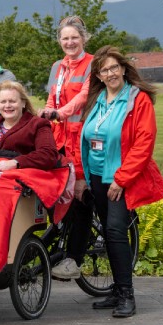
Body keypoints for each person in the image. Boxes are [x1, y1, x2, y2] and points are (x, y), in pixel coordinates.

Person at [78, 46, 163, 318]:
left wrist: (122, 179)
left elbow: (144, 143)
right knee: (108, 231)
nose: (110, 73)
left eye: (114, 67)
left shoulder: (137, 100)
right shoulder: (98, 99)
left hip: (120, 178)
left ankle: (127, 295)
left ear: (124, 69)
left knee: (116, 231)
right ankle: (117, 290)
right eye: (104, 69)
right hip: (96, 175)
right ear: (99, 75)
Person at [39, 16, 96, 280]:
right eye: (65, 38)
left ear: (83, 38)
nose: (69, 42)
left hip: (83, 139)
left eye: (74, 37)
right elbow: (52, 95)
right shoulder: (56, 67)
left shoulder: (93, 64)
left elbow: (85, 96)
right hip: (60, 139)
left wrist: (59, 113)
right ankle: (57, 244)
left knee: (80, 198)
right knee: (57, 193)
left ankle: (75, 259)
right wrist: (47, 115)